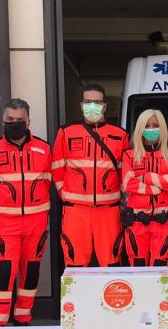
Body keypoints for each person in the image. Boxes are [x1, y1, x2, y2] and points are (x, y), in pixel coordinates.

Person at [0, 98, 52, 327]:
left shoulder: (44, 149)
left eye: (20, 120)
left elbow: (51, 183)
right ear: (3, 120)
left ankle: (23, 316)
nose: (14, 124)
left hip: (37, 221)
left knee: (31, 270)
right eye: (10, 120)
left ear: (28, 121)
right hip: (6, 222)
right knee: (5, 271)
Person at [52, 83, 129, 267]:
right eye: (88, 102)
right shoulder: (66, 132)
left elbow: (125, 172)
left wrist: (117, 194)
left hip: (109, 211)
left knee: (111, 262)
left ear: (104, 106)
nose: (92, 106)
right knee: (75, 264)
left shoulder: (120, 135)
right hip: (75, 211)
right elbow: (56, 168)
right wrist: (65, 194)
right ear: (81, 105)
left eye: (97, 102)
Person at [121, 109, 168, 266]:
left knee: (161, 269)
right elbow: (128, 183)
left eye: (155, 125)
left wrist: (146, 178)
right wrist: (157, 187)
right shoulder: (129, 155)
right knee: (138, 267)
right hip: (137, 223)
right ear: (140, 128)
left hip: (164, 222)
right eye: (147, 125)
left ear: (162, 128)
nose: (151, 129)